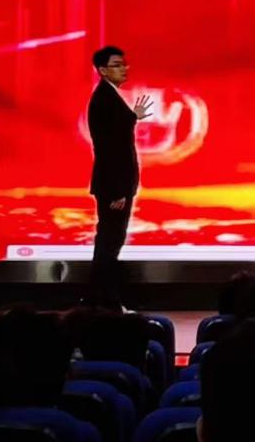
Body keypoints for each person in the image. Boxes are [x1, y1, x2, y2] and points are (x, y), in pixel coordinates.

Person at [86, 45, 153, 310]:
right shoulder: (104, 98)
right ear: (103, 70)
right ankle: (104, 302)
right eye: (117, 64)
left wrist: (133, 117)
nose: (124, 68)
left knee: (110, 241)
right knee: (109, 243)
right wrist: (118, 191)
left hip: (116, 185)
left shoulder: (109, 96)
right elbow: (110, 148)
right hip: (113, 187)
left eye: (124, 63)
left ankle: (100, 300)